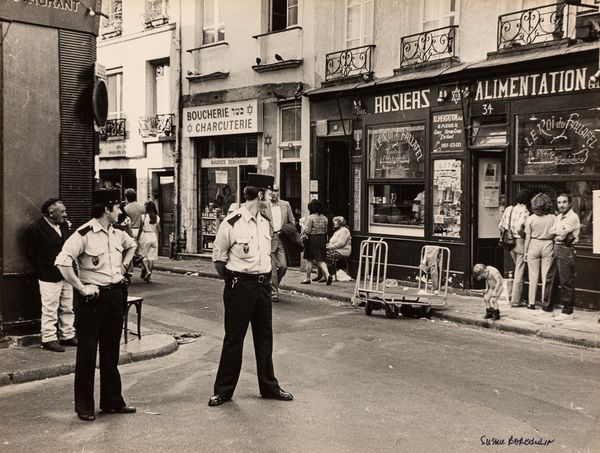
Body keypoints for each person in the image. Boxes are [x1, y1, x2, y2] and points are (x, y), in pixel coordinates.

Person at [209, 173, 293, 407]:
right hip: (240, 285)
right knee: (234, 339)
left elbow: (267, 255)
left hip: (262, 285)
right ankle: (223, 391)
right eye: (269, 192)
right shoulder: (232, 222)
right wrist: (235, 279)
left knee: (264, 338)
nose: (272, 195)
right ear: (260, 194)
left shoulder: (265, 222)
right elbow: (219, 259)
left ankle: (269, 386)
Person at [55, 189, 138, 422]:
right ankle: (84, 406)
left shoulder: (117, 233)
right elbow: (62, 262)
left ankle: (112, 401)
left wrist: (123, 267)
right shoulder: (84, 234)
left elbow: (132, 245)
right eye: (117, 207)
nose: (121, 211)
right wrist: (81, 288)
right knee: (87, 353)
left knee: (111, 351)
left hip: (114, 296)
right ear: (106, 209)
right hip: (92, 299)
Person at [25, 198, 76, 352]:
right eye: (62, 212)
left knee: (67, 306)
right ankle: (48, 338)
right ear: (51, 212)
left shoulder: (64, 226)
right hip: (48, 275)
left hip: (66, 273)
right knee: (50, 308)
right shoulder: (36, 228)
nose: (65, 215)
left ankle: (67, 335)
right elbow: (31, 254)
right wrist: (42, 269)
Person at [542, 193, 581, 320]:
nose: (561, 205)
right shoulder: (558, 217)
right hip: (557, 247)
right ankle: (547, 309)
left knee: (566, 281)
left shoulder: (573, 217)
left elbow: (562, 236)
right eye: (559, 202)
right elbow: (551, 232)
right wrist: (557, 233)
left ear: (569, 203)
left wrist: (557, 234)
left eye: (564, 202)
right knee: (550, 278)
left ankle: (568, 311)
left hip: (566, 249)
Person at [523, 193, 555, 310]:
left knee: (533, 276)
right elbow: (555, 233)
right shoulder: (553, 218)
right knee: (546, 275)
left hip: (533, 243)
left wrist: (525, 252)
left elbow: (527, 237)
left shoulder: (530, 219)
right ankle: (544, 302)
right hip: (548, 243)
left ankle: (531, 303)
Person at [499, 190, 530, 307]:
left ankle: (516, 297)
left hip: (509, 242)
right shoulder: (525, 211)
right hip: (519, 241)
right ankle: (516, 300)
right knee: (520, 270)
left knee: (517, 267)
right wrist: (524, 236)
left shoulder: (509, 209)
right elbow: (519, 228)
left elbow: (500, 226)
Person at [264, 184, 295, 302]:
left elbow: (292, 220)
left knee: (283, 266)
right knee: (272, 267)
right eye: (270, 191)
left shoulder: (285, 205)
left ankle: (272, 284)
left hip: (281, 237)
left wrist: (286, 229)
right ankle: (274, 292)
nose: (273, 193)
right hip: (269, 239)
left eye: (275, 191)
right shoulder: (264, 206)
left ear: (278, 193)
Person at [300, 199, 332, 285]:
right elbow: (325, 230)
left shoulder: (311, 218)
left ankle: (307, 278)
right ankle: (328, 275)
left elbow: (307, 231)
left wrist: (302, 225)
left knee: (309, 260)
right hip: (322, 239)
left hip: (312, 239)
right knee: (321, 259)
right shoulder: (325, 218)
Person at [314, 216, 352, 281]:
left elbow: (341, 243)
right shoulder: (337, 231)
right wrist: (326, 246)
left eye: (336, 222)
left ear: (340, 223)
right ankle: (321, 275)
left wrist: (329, 247)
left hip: (342, 251)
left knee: (325, 256)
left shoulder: (344, 230)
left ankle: (327, 276)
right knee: (318, 255)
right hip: (335, 250)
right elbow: (332, 242)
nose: (334, 223)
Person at [123, 188, 146, 277]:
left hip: (130, 230)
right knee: (141, 252)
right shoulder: (142, 207)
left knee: (130, 251)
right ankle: (145, 267)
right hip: (141, 230)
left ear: (127, 197)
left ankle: (129, 271)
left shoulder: (126, 209)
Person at [137, 200, 161, 283]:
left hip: (145, 236)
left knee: (141, 256)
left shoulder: (143, 217)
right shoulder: (157, 218)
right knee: (151, 258)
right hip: (153, 236)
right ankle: (149, 276)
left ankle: (146, 270)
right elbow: (159, 230)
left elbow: (140, 229)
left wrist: (137, 238)